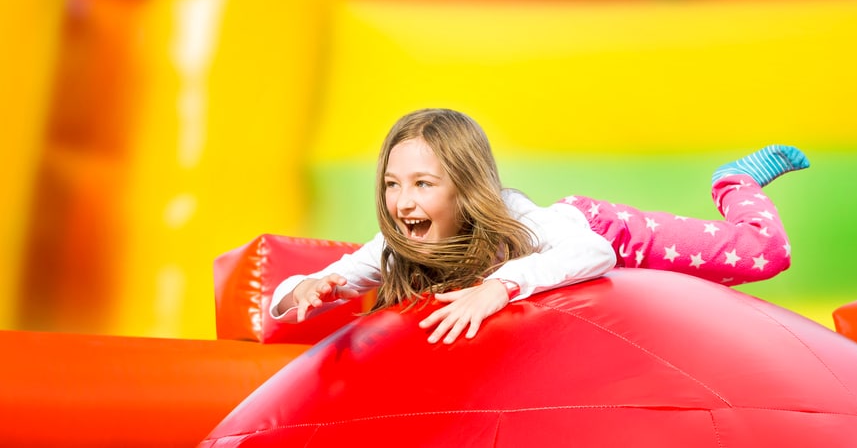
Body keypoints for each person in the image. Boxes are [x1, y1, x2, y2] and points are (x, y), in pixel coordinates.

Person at [270, 108, 809, 345]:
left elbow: (594, 252)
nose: (402, 202)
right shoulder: (398, 243)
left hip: (616, 234)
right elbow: (292, 294)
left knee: (761, 253)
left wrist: (498, 286)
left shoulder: (514, 214)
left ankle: (734, 181)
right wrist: (310, 288)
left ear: (465, 185)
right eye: (392, 184)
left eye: (423, 185)